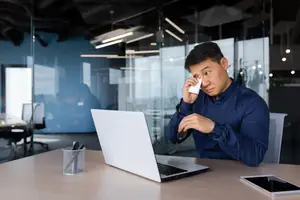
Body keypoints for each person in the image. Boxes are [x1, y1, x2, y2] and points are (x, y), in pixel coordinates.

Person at [167, 42, 270, 167]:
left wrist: (214, 128)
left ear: (224, 64)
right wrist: (186, 104)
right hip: (202, 173)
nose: (204, 83)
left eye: (207, 73)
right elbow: (173, 137)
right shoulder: (197, 99)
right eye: (197, 77)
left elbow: (254, 156)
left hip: (238, 176)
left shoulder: (252, 103)